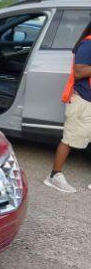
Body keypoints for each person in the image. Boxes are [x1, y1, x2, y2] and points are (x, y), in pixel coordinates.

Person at [44, 20, 91, 192]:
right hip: (83, 100)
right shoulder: (88, 43)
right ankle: (54, 175)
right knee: (69, 139)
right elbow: (79, 71)